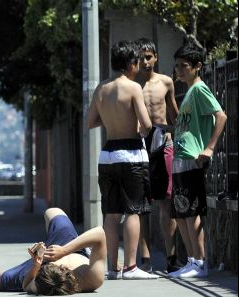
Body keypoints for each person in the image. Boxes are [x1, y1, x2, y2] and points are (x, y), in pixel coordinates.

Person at [87, 40, 157, 280]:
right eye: (137, 61)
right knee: (133, 211)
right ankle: (131, 267)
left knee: (111, 213)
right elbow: (146, 125)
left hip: (107, 156)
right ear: (130, 64)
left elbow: (90, 122)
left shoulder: (101, 88)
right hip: (131, 154)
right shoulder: (133, 88)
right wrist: (138, 125)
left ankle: (112, 268)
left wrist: (110, 120)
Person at [168, 42, 227, 278]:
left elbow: (220, 116)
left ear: (197, 67)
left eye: (184, 66)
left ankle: (200, 262)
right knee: (181, 212)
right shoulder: (190, 92)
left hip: (192, 158)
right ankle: (192, 259)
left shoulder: (200, 89)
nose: (179, 70)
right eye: (177, 66)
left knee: (191, 211)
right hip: (180, 157)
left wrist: (210, 148)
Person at [0, 208, 107, 295]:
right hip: (69, 248)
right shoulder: (92, 279)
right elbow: (99, 233)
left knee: (0, 278)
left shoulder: (42, 284)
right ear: (65, 269)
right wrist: (64, 250)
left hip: (40, 262)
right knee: (53, 211)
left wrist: (37, 264)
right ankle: (64, 243)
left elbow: (25, 286)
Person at [135, 38, 181, 274]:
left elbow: (174, 114)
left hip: (164, 142)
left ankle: (171, 256)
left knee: (166, 202)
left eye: (148, 57)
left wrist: (180, 137)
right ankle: (144, 258)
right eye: (141, 57)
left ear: (156, 57)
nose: (145, 62)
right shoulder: (133, 85)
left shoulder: (166, 82)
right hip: (141, 144)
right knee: (142, 204)